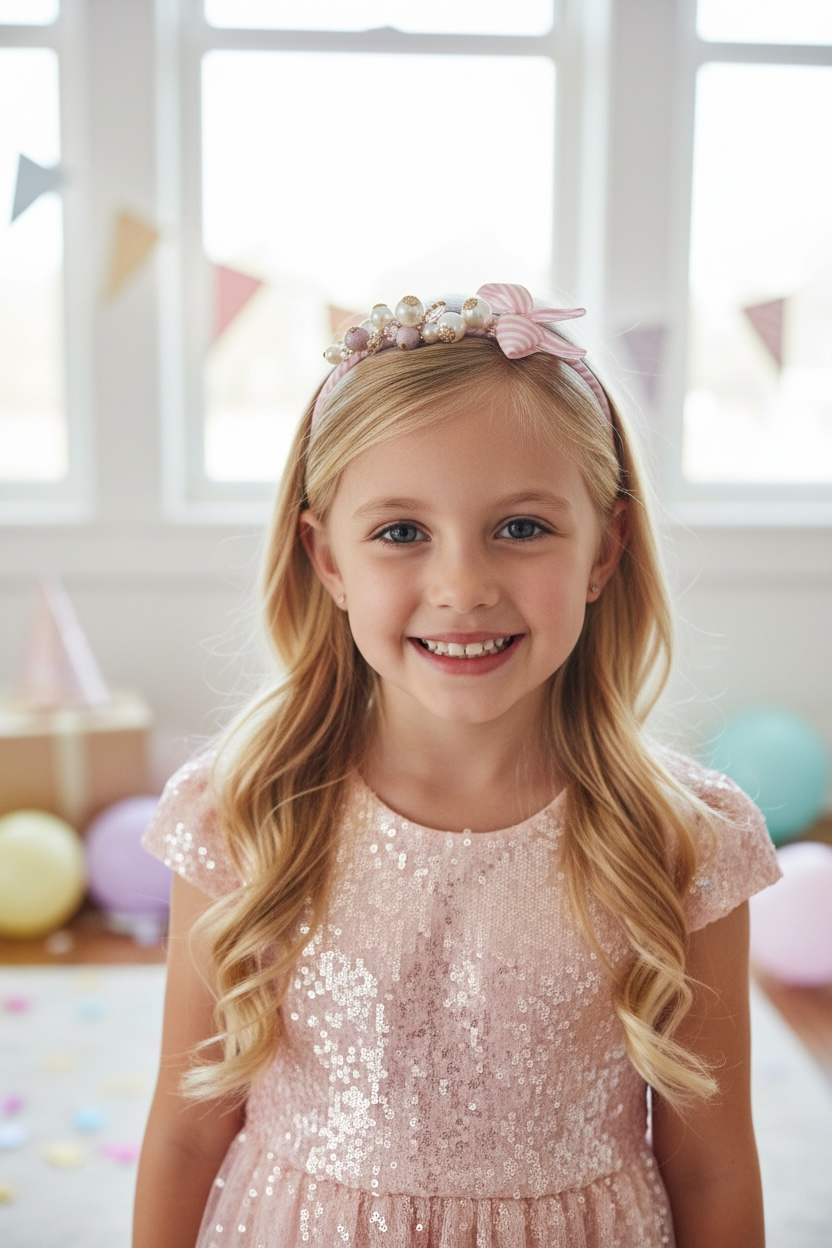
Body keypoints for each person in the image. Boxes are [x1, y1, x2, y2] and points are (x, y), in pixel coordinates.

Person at [134, 283, 781, 1248]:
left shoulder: (685, 837)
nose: (463, 586)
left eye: (522, 528)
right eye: (401, 532)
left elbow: (713, 1162)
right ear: (328, 559)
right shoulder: (250, 811)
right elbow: (188, 1131)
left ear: (605, 550)